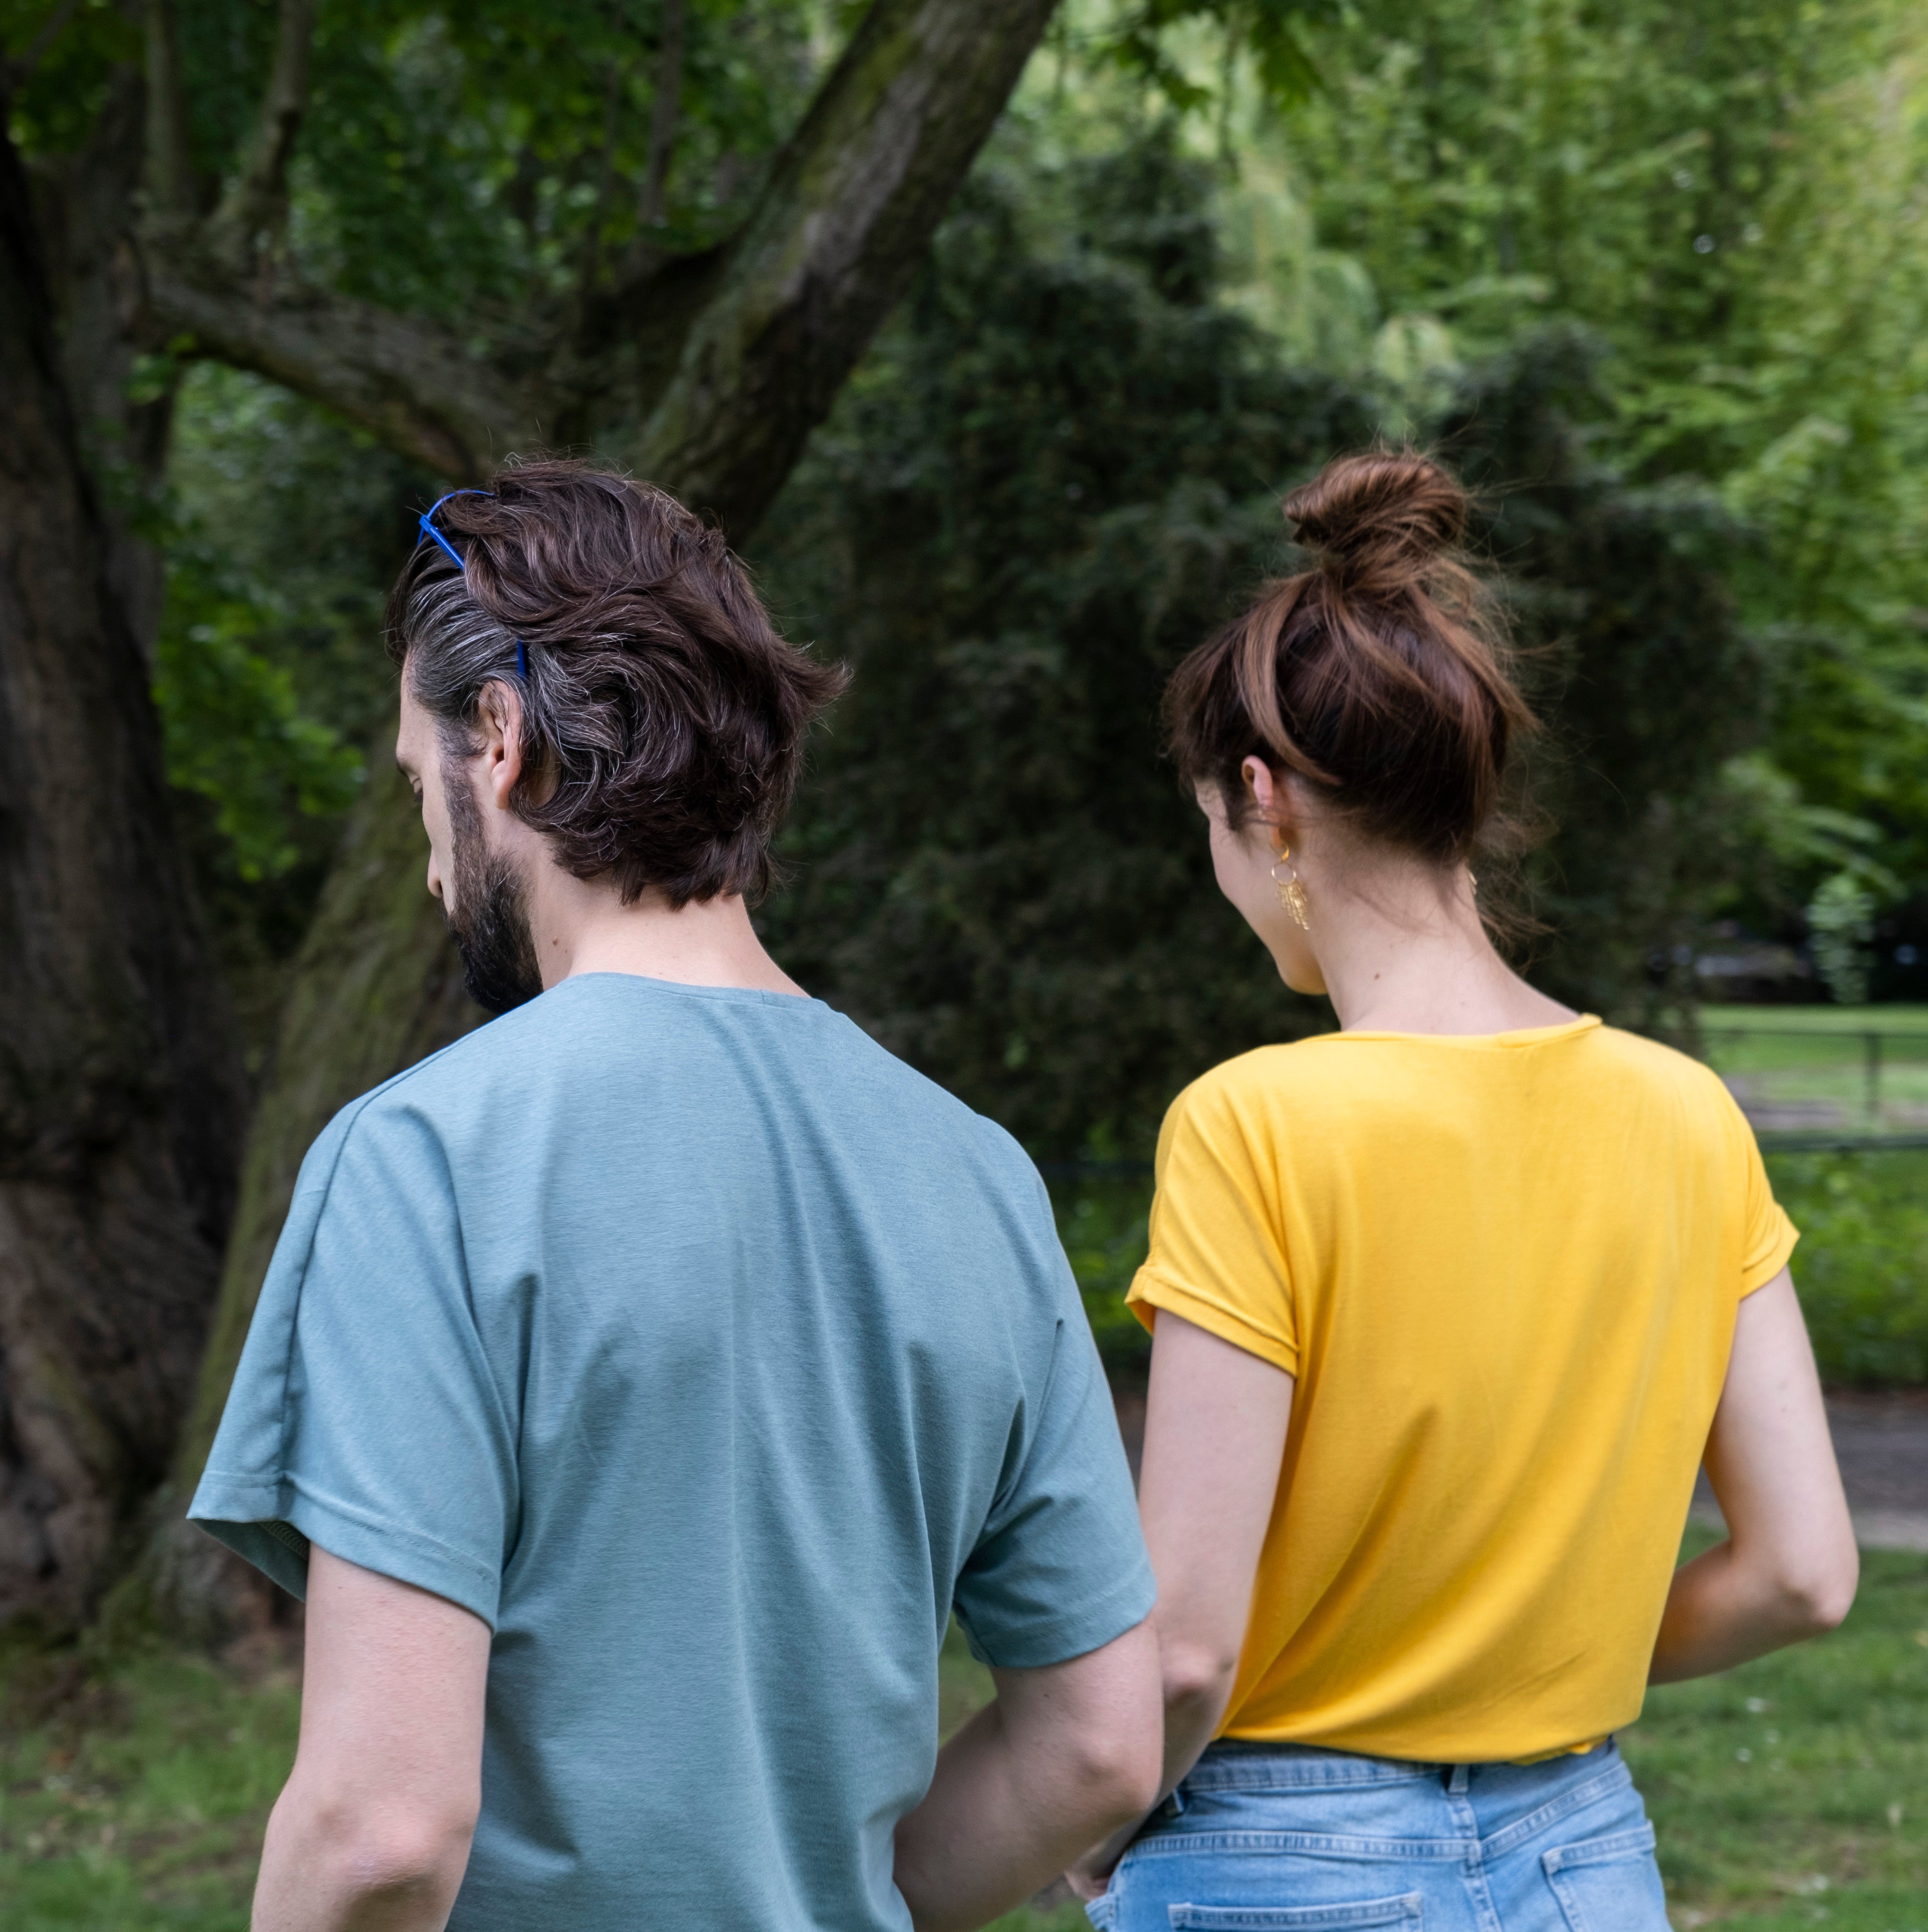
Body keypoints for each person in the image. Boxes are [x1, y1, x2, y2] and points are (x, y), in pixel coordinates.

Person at [190, 461, 1162, 1932]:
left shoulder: (427, 1160)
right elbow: (1100, 1746)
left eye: (414, 784)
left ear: (498, 741)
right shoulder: (978, 1170)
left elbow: (382, 1830)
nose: (429, 866)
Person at [1067, 450, 1860, 1929]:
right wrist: (1537, 1660)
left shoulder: (1254, 1125)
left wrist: (1097, 1821)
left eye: (1211, 829)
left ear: (1265, 803)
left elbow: (1184, 1651)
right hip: (1586, 1859)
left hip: (1280, 1862)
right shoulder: (1689, 1115)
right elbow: (1803, 1573)